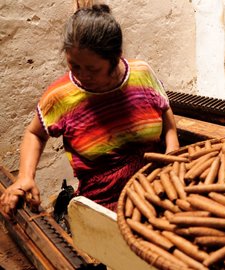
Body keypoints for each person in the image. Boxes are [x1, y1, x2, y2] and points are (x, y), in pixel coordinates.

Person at [0, 4, 180, 214]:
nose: (82, 75)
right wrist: (25, 176)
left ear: (116, 57)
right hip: (102, 206)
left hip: (158, 189)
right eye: (74, 65)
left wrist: (172, 151)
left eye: (92, 69)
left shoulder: (142, 74)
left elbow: (165, 111)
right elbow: (35, 134)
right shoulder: (61, 96)